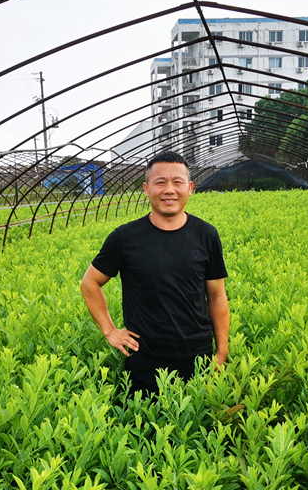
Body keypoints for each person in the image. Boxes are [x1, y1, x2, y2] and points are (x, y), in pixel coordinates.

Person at [80, 150, 229, 395]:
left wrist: (221, 352)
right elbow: (90, 283)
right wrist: (109, 330)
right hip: (144, 360)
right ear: (146, 189)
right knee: (145, 428)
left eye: (177, 182)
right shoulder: (125, 237)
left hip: (198, 356)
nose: (169, 190)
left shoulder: (206, 235)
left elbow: (217, 296)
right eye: (160, 182)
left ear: (189, 188)